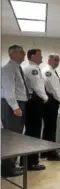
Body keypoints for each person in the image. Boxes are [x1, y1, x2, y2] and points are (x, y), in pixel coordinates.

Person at [1, 45, 27, 177]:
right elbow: (8, 89)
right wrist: (15, 107)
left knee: (17, 136)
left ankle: (12, 165)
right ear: (13, 54)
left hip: (18, 104)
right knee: (11, 137)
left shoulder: (17, 67)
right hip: (12, 105)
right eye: (21, 52)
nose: (24, 54)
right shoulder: (7, 68)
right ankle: (7, 168)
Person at [23, 49, 48, 170]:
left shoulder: (34, 68)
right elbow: (37, 86)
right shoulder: (31, 69)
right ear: (32, 56)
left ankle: (28, 161)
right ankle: (30, 163)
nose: (42, 57)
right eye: (40, 55)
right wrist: (45, 98)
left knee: (32, 132)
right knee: (33, 133)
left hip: (33, 102)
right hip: (34, 102)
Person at [41, 54, 60, 161]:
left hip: (51, 101)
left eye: (58, 60)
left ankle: (45, 151)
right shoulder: (48, 71)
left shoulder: (51, 71)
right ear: (49, 60)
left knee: (48, 128)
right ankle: (51, 153)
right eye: (55, 60)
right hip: (51, 101)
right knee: (51, 128)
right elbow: (52, 87)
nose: (57, 62)